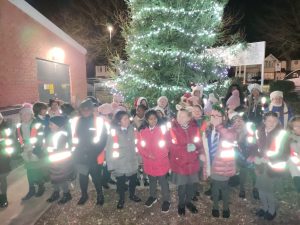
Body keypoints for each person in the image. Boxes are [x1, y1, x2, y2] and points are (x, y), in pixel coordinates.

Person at [71, 99, 107, 205]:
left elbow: (103, 139)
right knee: (83, 177)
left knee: (96, 178)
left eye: (88, 109)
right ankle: (84, 195)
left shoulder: (99, 121)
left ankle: (100, 195)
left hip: (95, 156)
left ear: (92, 110)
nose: (86, 111)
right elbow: (72, 137)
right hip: (80, 155)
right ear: (80, 110)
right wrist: (76, 152)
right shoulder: (75, 121)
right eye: (83, 109)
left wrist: (93, 153)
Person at [254, 112, 289, 221]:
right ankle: (264, 208)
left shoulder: (281, 134)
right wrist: (255, 157)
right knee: (260, 188)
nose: (272, 123)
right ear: (264, 121)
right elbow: (256, 147)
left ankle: (272, 210)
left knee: (268, 190)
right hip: (260, 165)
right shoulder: (259, 132)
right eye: (269, 120)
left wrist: (269, 158)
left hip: (272, 167)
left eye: (274, 120)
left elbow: (285, 153)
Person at [169, 108, 203, 216]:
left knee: (191, 185)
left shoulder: (195, 128)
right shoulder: (173, 129)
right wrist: (185, 149)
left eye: (183, 116)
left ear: (189, 118)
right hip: (180, 163)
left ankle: (189, 202)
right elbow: (171, 146)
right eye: (179, 115)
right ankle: (181, 204)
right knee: (182, 186)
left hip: (192, 161)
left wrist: (196, 148)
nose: (179, 118)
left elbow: (198, 142)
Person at [205, 105, 237, 219]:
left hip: (224, 166)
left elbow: (230, 137)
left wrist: (218, 126)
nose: (214, 118)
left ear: (223, 117)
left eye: (217, 116)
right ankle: (215, 207)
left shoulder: (228, 129)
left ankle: (226, 207)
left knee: (224, 187)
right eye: (212, 115)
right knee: (214, 187)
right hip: (212, 164)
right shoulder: (208, 129)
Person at [105, 111, 141, 209]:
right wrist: (111, 165)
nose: (127, 120)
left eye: (128, 118)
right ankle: (121, 198)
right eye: (124, 119)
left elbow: (138, 145)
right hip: (119, 162)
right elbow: (109, 149)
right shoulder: (113, 132)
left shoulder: (133, 130)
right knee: (120, 182)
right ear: (119, 121)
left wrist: (140, 159)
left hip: (132, 160)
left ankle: (132, 194)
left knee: (133, 180)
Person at [137, 110, 171, 213]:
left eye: (155, 118)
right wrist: (148, 155)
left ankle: (167, 200)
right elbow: (140, 146)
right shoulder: (143, 132)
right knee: (151, 180)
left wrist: (156, 156)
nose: (153, 121)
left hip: (160, 162)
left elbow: (167, 145)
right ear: (147, 120)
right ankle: (152, 196)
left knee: (163, 182)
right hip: (149, 162)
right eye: (151, 119)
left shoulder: (162, 130)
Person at [16, 104, 46, 201]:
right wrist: (22, 148)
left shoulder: (36, 123)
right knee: (29, 171)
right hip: (25, 150)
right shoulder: (19, 126)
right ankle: (31, 189)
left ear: (31, 115)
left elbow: (40, 137)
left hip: (35, 151)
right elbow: (18, 138)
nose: (24, 117)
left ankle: (41, 187)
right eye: (22, 115)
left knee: (37, 170)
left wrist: (32, 149)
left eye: (27, 114)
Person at [229, 112, 258, 199]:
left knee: (254, 175)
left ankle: (255, 189)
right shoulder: (232, 133)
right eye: (235, 122)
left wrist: (252, 155)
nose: (238, 123)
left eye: (239, 120)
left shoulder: (250, 131)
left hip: (251, 157)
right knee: (242, 175)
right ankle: (242, 190)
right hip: (240, 158)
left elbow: (255, 145)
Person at [46, 116, 73, 204]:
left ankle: (66, 194)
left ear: (58, 125)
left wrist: (50, 151)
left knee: (61, 179)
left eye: (51, 124)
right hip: (53, 162)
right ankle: (56, 192)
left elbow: (61, 150)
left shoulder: (61, 135)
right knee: (54, 178)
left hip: (60, 162)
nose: (49, 126)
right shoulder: (54, 134)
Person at [0, 113, 14, 208]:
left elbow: (8, 142)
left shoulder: (5, 129)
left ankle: (3, 197)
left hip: (2, 158)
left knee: (2, 178)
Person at [287, 116, 300, 208]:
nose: (299, 128)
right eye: (296, 126)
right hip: (296, 170)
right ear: (291, 128)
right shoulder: (289, 139)